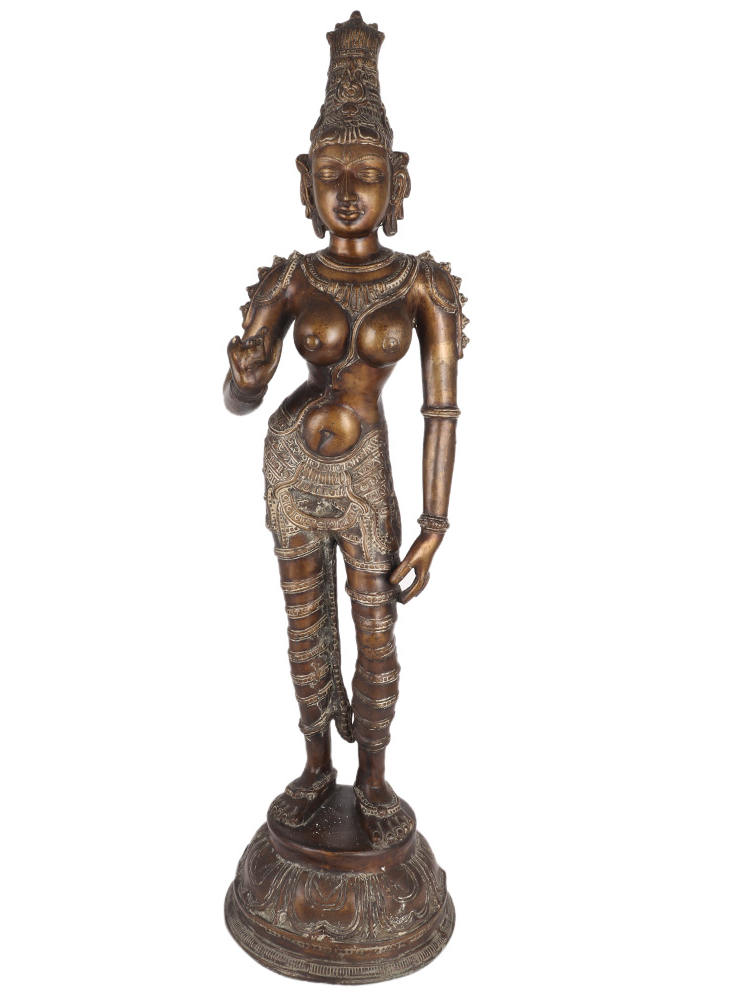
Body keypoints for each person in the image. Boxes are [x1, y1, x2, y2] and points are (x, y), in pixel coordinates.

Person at [223, 11, 468, 849]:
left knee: (375, 630)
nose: (349, 189)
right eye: (332, 172)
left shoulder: (422, 286)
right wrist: (246, 373)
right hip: (293, 470)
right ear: (306, 182)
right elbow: (240, 398)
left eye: (366, 171)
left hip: (367, 480)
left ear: (398, 181)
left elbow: (442, 412)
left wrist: (434, 524)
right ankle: (314, 764)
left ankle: (374, 776)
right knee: (303, 625)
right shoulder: (291, 278)